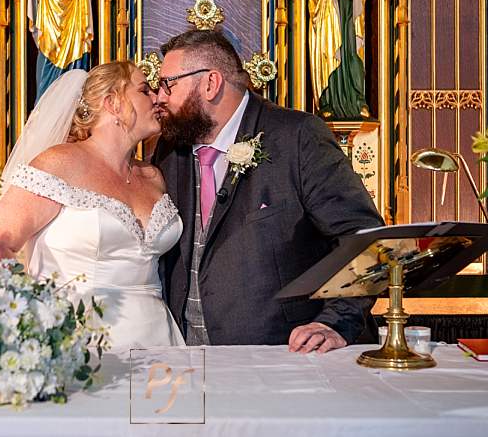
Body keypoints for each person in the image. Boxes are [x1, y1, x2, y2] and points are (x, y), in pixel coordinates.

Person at [0, 63, 184, 351]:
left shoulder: (153, 177)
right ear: (112, 102)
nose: (156, 98)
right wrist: (18, 318)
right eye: (143, 90)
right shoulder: (59, 164)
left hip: (159, 337)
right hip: (79, 338)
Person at [153, 30, 383, 353]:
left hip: (284, 358)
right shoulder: (169, 149)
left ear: (210, 83)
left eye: (168, 84)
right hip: (188, 360)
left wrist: (336, 321)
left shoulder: (298, 137)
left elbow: (364, 238)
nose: (158, 97)